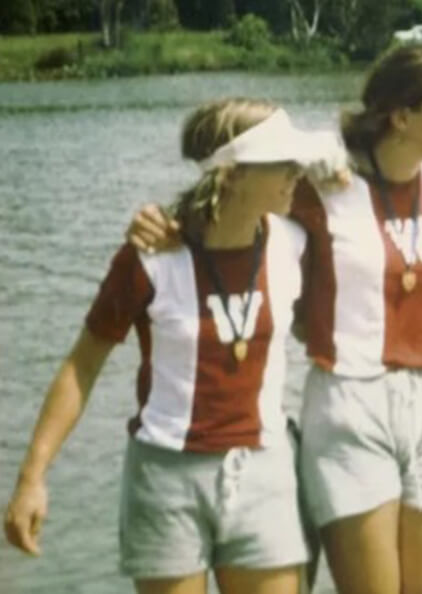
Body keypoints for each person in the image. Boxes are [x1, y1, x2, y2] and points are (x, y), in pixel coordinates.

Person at [122, 45, 422, 593]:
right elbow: (231, 194)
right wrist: (163, 226)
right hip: (350, 405)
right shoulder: (321, 187)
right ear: (402, 116)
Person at [4, 98, 323, 594]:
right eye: (282, 163)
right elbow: (80, 368)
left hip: (264, 469)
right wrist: (32, 477)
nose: (297, 173)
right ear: (233, 174)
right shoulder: (149, 259)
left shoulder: (295, 241)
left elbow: (372, 157)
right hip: (166, 478)